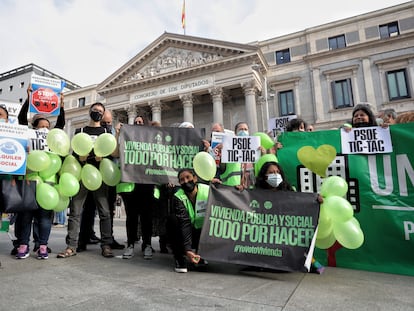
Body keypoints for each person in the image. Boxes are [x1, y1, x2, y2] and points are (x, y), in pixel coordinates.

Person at [13, 87, 65, 259]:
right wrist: (29, 98)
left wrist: (62, 107)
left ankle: (42, 245)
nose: (45, 129)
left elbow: (61, 125)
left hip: (48, 182)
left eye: (47, 126)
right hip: (30, 179)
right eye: (41, 126)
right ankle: (23, 245)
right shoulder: (27, 133)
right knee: (26, 216)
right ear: (34, 127)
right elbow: (21, 120)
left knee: (44, 218)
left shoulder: (53, 136)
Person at [57, 102, 115, 258]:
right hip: (81, 175)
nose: (97, 112)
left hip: (99, 175)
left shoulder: (106, 132)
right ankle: (71, 246)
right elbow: (75, 150)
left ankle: (106, 245)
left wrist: (103, 157)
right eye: (95, 110)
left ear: (103, 115)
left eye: (100, 111)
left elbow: (111, 153)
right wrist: (78, 156)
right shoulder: (80, 131)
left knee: (104, 212)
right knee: (75, 211)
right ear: (90, 111)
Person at [255, 160, 324, 273]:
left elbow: (301, 203)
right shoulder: (256, 193)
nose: (275, 175)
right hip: (264, 233)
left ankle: (311, 262)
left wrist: (315, 200)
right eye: (271, 172)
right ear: (264, 176)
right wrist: (240, 192)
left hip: (284, 233)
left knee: (303, 252)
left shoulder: (289, 192)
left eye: (277, 172)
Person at [77, 109, 124, 252]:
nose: (107, 124)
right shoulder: (93, 133)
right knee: (88, 209)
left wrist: (117, 134)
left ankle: (108, 239)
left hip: (109, 175)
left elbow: (115, 152)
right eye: (104, 122)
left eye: (109, 122)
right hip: (90, 174)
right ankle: (84, 238)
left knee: (108, 210)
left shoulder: (111, 134)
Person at [121, 116, 155, 260]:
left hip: (147, 185)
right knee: (132, 218)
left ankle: (147, 244)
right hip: (131, 185)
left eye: (141, 122)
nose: (138, 124)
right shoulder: (126, 140)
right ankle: (130, 244)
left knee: (147, 217)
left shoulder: (151, 141)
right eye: (135, 122)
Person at [166, 168, 209, 273]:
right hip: (187, 233)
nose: (185, 181)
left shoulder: (208, 191)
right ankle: (180, 257)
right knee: (172, 220)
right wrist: (188, 250)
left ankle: (201, 255)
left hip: (203, 233)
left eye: (188, 177)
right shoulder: (177, 197)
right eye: (182, 180)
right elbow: (184, 223)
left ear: (195, 178)